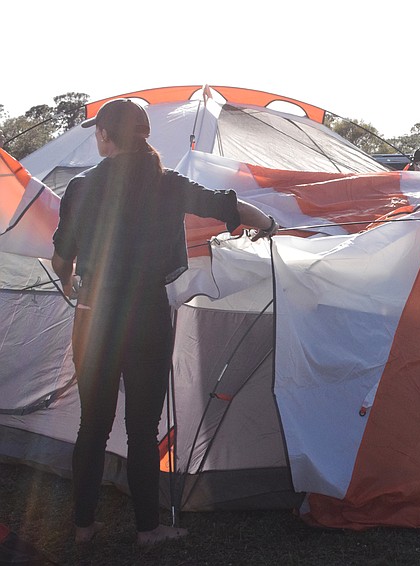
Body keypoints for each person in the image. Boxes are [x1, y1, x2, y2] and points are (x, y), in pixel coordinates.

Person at [51, 98, 281, 546]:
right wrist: (267, 222)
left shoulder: (81, 187)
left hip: (93, 317)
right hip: (147, 317)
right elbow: (228, 207)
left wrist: (67, 284)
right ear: (143, 135)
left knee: (91, 426)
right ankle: (147, 529)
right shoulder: (165, 182)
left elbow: (62, 257)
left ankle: (82, 526)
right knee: (143, 428)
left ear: (104, 136)